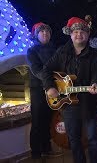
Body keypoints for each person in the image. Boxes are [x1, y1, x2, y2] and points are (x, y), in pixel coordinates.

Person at [40, 17, 97, 163]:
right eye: (75, 31)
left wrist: (95, 83)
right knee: (74, 140)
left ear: (88, 34)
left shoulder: (96, 54)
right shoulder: (61, 52)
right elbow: (46, 70)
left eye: (82, 31)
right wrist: (50, 86)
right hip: (68, 106)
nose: (79, 34)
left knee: (93, 139)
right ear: (70, 34)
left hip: (89, 104)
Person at [27, 22, 61, 159]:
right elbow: (37, 70)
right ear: (36, 35)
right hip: (38, 90)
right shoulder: (32, 51)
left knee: (49, 119)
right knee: (37, 120)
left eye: (47, 31)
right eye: (42, 32)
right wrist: (49, 84)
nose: (45, 33)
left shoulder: (55, 50)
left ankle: (47, 148)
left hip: (53, 88)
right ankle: (35, 153)